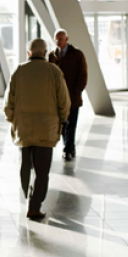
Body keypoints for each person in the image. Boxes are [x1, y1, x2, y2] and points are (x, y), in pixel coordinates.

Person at [5, 38, 71, 220]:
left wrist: (12, 118)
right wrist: (63, 119)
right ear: (45, 53)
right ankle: (34, 206)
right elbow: (63, 100)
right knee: (42, 170)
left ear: (28, 53)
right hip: (46, 129)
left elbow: (8, 100)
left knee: (25, 165)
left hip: (24, 128)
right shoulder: (54, 71)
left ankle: (28, 196)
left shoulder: (19, 71)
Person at [48, 29, 88, 161]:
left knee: (71, 123)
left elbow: (83, 76)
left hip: (72, 97)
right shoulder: (52, 56)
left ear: (67, 39)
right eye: (56, 39)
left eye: (61, 39)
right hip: (58, 98)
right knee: (63, 124)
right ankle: (69, 147)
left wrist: (75, 92)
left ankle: (68, 149)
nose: (58, 41)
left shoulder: (77, 54)